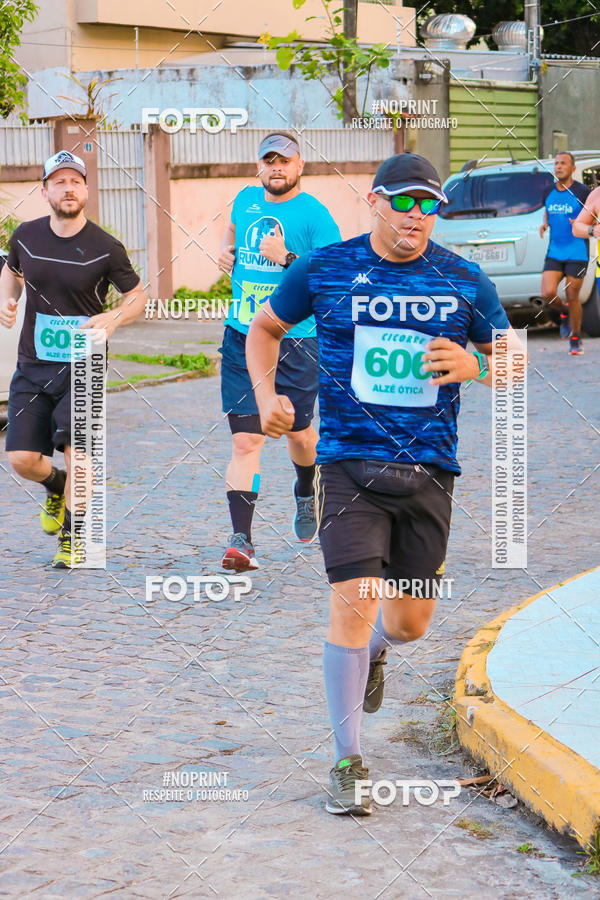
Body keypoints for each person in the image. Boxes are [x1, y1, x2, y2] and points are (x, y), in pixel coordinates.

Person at [246, 152, 521, 816]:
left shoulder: (462, 278)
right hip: (347, 468)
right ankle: (347, 762)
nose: (418, 217)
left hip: (429, 471)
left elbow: (513, 359)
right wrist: (265, 397)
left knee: (411, 621)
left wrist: (476, 362)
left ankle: (375, 652)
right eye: (405, 202)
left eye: (430, 205)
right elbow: (264, 329)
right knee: (354, 596)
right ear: (374, 200)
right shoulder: (328, 267)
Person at [0, 150, 147, 567]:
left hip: (84, 367)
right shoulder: (26, 235)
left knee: (78, 453)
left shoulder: (106, 247)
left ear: (85, 189)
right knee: (22, 459)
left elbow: (138, 296)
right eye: (59, 182)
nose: (68, 188)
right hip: (32, 366)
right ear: (45, 190)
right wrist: (6, 301)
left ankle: (73, 537)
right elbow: (11, 273)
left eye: (76, 181)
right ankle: (55, 486)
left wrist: (115, 317)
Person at [217, 131, 340, 572]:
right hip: (241, 336)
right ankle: (241, 540)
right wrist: (224, 251)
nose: (276, 168)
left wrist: (287, 256)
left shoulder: (314, 215)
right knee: (246, 438)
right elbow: (231, 228)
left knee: (299, 432)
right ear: (259, 166)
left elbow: (332, 276)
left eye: (284, 161)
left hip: (297, 341)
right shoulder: (245, 199)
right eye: (269, 160)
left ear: (299, 165)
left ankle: (306, 487)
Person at [539, 152, 590, 355]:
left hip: (577, 251)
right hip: (555, 250)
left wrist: (583, 224)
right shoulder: (548, 191)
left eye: (563, 163)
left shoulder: (583, 191)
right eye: (556, 163)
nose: (558, 167)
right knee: (548, 293)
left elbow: (594, 216)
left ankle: (575, 339)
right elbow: (548, 210)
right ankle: (564, 315)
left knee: (572, 295)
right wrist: (545, 223)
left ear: (572, 169)